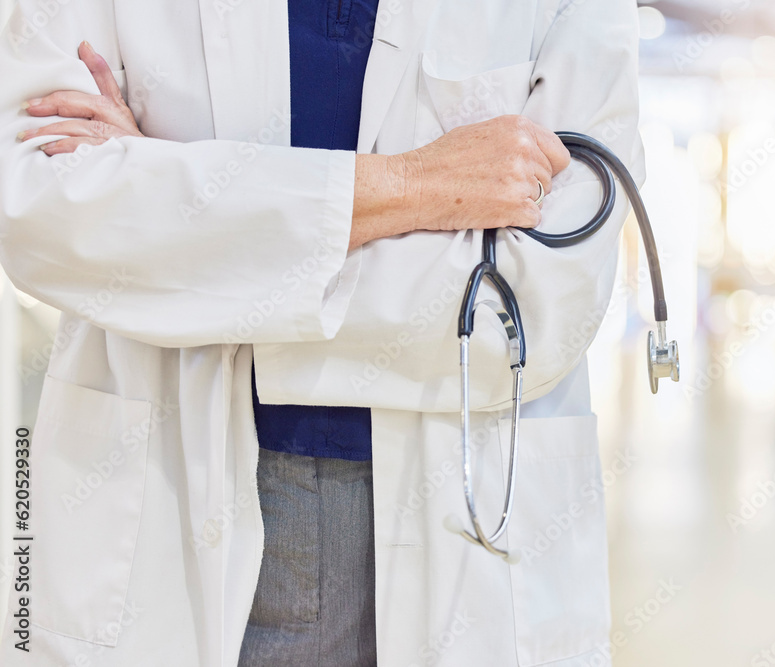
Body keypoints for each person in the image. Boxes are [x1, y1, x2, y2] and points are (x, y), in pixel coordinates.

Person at [0, 0, 644, 665]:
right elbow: (41, 207)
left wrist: (180, 209)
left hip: (460, 530)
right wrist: (418, 183)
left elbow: (536, 301)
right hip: (173, 510)